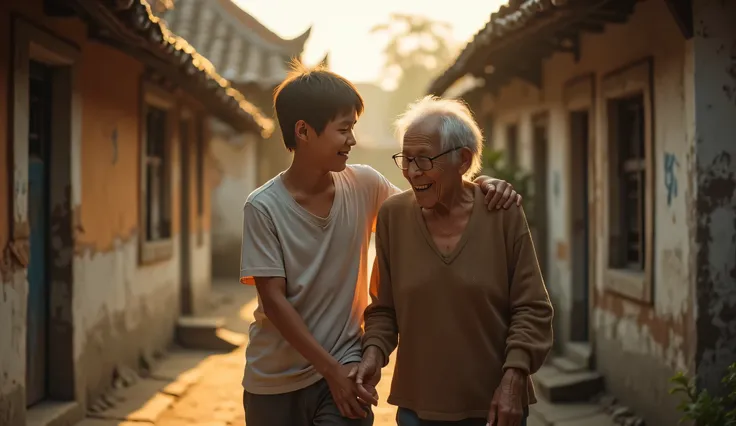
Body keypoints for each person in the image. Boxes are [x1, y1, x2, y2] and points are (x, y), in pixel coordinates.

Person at [239, 63, 524, 426]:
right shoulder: (263, 207)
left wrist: (480, 184)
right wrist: (329, 371)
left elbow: (429, 204)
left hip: (346, 367)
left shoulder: (364, 185)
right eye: (343, 130)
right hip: (275, 378)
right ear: (303, 131)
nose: (352, 140)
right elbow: (274, 303)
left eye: (353, 129)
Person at [355, 96, 554, 426]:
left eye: (424, 159)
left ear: (463, 160)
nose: (412, 172)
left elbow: (532, 308)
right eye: (406, 158)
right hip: (417, 409)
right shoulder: (394, 216)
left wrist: (513, 381)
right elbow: (384, 308)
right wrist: (374, 351)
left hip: (494, 407)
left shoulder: (501, 213)